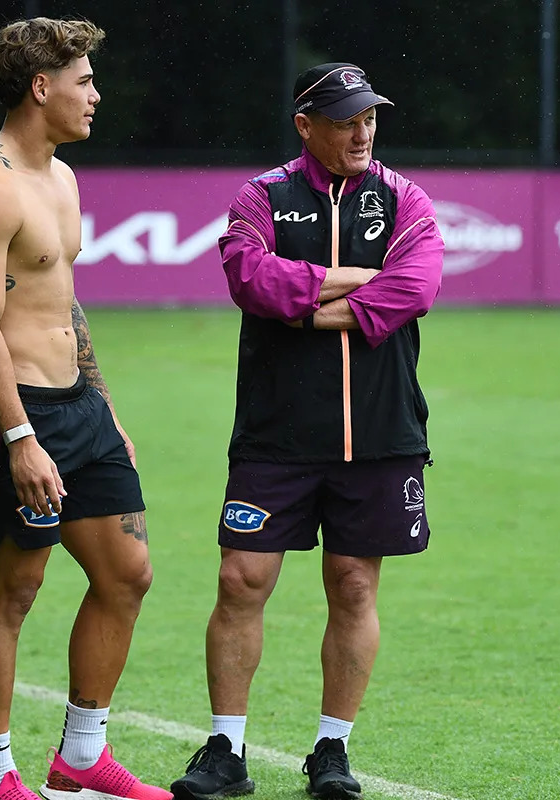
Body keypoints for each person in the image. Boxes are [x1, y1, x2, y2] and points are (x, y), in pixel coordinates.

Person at [167, 63, 443, 800]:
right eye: (348, 119)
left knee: (353, 586)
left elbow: (417, 284)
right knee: (240, 580)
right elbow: (249, 279)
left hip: (380, 434)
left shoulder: (403, 197)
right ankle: (226, 750)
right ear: (305, 126)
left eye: (371, 118)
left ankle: (332, 750)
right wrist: (357, 278)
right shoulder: (261, 196)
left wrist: (308, 297)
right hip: (275, 436)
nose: (363, 131)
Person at [0, 18, 170, 800]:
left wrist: (105, 409)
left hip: (79, 410)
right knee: (12, 591)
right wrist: (20, 438)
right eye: (84, 82)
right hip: (8, 420)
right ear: (42, 88)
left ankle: (79, 755)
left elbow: (62, 305)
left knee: (127, 573)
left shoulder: (64, 179)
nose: (96, 96)